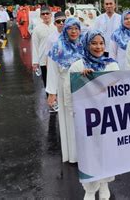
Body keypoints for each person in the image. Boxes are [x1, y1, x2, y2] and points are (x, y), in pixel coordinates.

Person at [70, 30, 118, 200]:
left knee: (106, 151)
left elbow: (119, 89)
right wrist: (82, 79)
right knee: (89, 153)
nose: (98, 47)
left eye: (101, 43)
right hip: (87, 119)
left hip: (107, 117)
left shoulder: (112, 64)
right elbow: (71, 92)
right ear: (87, 44)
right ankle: (90, 190)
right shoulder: (78, 65)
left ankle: (104, 183)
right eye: (94, 43)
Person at [46, 18, 85, 164]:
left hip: (82, 86)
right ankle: (73, 155)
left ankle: (85, 153)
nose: (73, 31)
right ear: (65, 30)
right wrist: (52, 92)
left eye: (76, 28)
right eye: (70, 28)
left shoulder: (84, 45)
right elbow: (52, 71)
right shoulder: (58, 47)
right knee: (69, 118)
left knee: (82, 119)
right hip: (65, 87)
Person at [32, 6, 57, 98]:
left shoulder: (56, 27)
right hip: (43, 60)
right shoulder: (37, 29)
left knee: (58, 81)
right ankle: (51, 103)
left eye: (47, 13)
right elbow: (35, 46)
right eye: (43, 14)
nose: (45, 15)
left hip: (57, 59)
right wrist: (35, 62)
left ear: (51, 14)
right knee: (47, 82)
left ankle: (59, 101)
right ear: (40, 16)